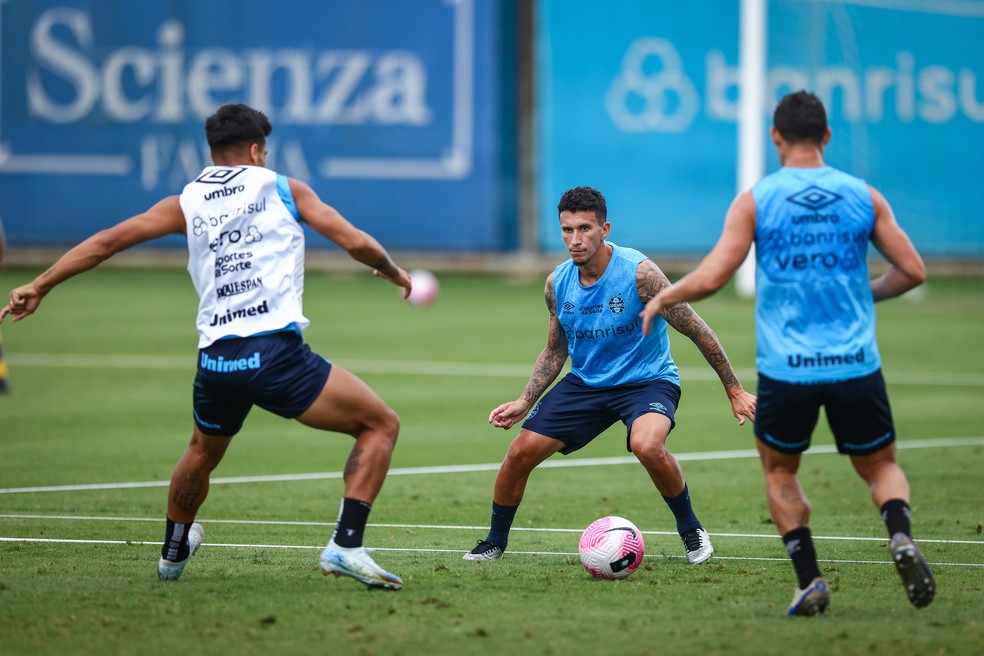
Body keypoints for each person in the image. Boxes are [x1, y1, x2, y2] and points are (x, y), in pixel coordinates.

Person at [0, 103, 412, 590]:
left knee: (201, 451)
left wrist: (40, 285)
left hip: (215, 359)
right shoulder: (282, 188)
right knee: (380, 424)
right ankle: (345, 546)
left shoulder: (185, 201)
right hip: (274, 352)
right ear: (257, 149)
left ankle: (173, 555)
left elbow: (107, 242)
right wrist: (391, 271)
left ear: (213, 150)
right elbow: (354, 241)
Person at [639, 90, 935, 615]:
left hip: (786, 370)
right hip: (854, 365)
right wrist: (864, 292)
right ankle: (900, 533)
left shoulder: (758, 198)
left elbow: (715, 275)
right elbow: (913, 271)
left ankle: (809, 579)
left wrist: (665, 295)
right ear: (826, 137)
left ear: (775, 137)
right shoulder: (863, 196)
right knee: (880, 465)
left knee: (781, 473)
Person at [463, 186, 757, 565]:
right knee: (519, 453)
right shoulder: (557, 283)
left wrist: (733, 389)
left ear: (605, 229)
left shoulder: (641, 274)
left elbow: (697, 329)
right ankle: (494, 541)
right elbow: (555, 350)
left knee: (647, 445)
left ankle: (691, 530)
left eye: (584, 228)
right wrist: (525, 400)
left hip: (646, 381)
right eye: (567, 230)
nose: (574, 239)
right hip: (587, 383)